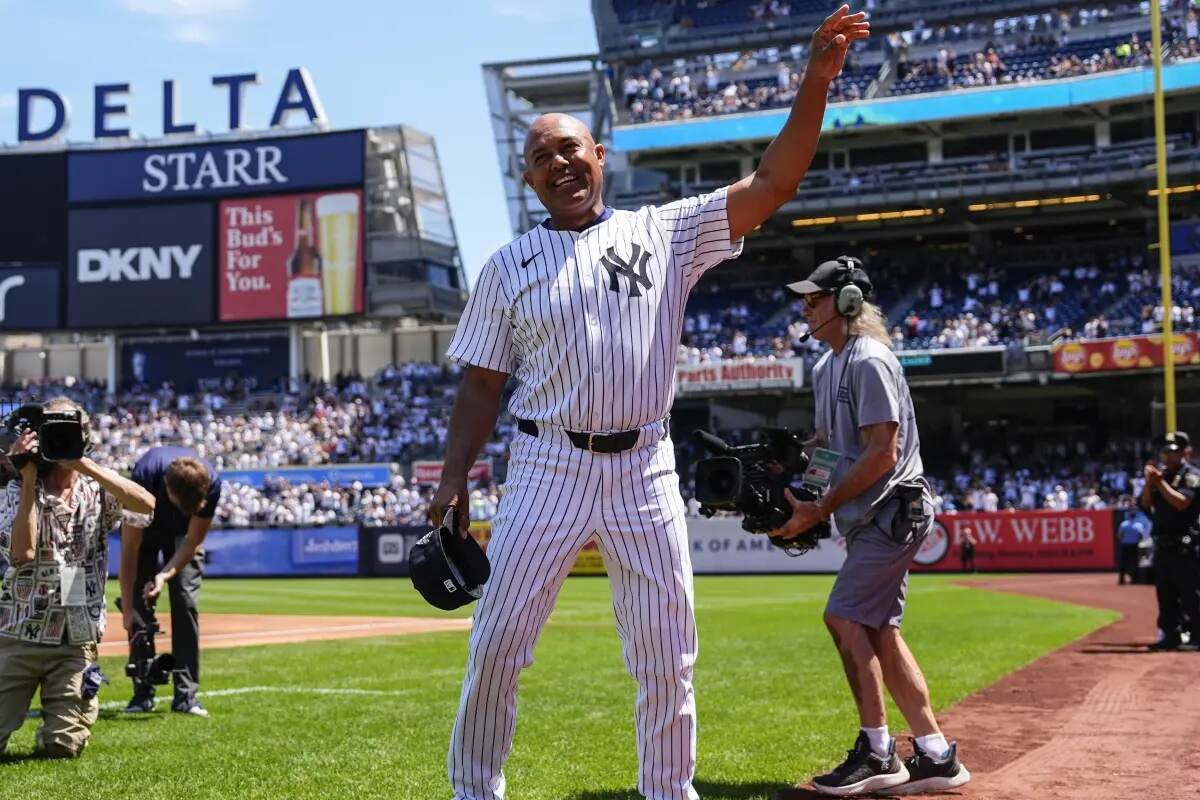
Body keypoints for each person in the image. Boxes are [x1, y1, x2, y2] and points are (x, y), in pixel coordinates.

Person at [430, 8, 871, 798]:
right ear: (526, 178)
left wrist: (815, 82)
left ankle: (669, 791)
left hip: (643, 467)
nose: (559, 161)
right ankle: (474, 790)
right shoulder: (506, 266)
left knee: (669, 654)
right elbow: (482, 383)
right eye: (541, 156)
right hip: (545, 463)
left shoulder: (664, 232)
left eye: (570, 147)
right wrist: (452, 475)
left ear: (600, 154)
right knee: (496, 645)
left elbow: (773, 184)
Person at [771, 258, 970, 796]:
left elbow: (884, 451)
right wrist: (803, 493)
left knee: (841, 617)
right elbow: (833, 450)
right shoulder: (825, 366)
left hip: (892, 509)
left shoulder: (870, 359)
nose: (805, 305)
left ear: (849, 301)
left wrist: (822, 504)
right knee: (881, 632)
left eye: (815, 297)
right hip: (869, 515)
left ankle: (878, 751)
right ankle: (936, 755)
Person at [0, 398, 155, 757]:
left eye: (69, 431)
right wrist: (27, 481)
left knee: (63, 747)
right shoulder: (14, 488)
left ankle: (55, 731)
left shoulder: (96, 487)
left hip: (75, 635)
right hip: (18, 631)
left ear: (86, 436)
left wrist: (81, 462)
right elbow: (22, 554)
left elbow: (146, 505)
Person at [120, 446, 221, 716]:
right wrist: (128, 608)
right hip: (146, 529)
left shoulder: (211, 484)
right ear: (166, 489)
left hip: (182, 538)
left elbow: (193, 540)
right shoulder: (144, 477)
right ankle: (142, 692)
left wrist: (164, 575)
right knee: (140, 607)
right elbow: (130, 549)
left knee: (185, 601)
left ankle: (186, 696)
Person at [1139, 432, 1200, 650]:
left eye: (1172, 452)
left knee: (1191, 593)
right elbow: (1146, 505)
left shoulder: (1191, 475)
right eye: (1165, 452)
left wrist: (1160, 484)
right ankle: (1170, 636)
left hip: (1186, 545)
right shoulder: (1160, 476)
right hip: (1163, 544)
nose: (1167, 456)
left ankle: (1197, 636)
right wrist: (1150, 483)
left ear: (1184, 453)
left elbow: (1182, 502)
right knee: (1165, 594)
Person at [1116, 508, 1150, 585]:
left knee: (1123, 562)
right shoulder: (1138, 525)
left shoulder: (1123, 524)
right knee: (1134, 562)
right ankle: (1134, 579)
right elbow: (1141, 536)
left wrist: (1124, 540)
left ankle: (1121, 579)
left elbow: (1119, 536)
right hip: (1134, 546)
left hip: (1125, 545)